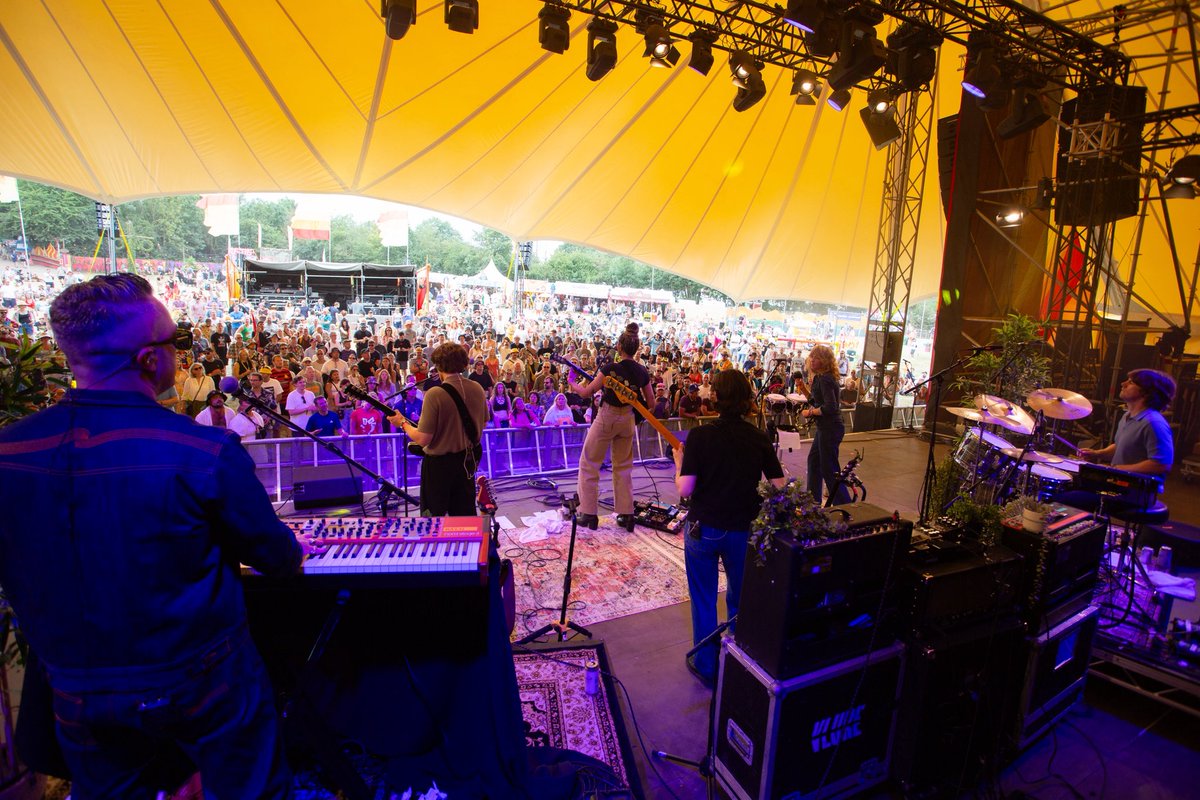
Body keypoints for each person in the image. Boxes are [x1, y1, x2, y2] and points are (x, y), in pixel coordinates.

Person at [0, 274, 303, 797]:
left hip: (75, 688)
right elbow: (277, 557)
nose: (180, 355)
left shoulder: (9, 451)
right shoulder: (202, 451)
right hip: (204, 684)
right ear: (148, 359)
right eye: (174, 342)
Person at [674, 369, 786, 687]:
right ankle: (738, 658)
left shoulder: (700, 436)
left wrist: (679, 463)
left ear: (716, 398)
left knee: (703, 598)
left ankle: (706, 664)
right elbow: (779, 486)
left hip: (704, 528)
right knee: (740, 596)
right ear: (747, 399)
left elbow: (685, 489)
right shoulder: (758, 437)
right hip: (742, 528)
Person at [569, 323, 653, 531]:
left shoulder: (610, 369)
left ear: (619, 347)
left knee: (589, 462)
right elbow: (651, 404)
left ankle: (588, 513)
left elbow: (586, 393)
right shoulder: (642, 371)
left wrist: (572, 383)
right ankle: (626, 514)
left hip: (607, 416)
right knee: (623, 467)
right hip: (628, 419)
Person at [388, 342, 487, 516]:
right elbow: (483, 423)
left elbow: (423, 438)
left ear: (439, 366)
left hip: (439, 466)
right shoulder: (477, 388)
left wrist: (402, 423)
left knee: (433, 518)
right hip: (466, 461)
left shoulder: (435, 393)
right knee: (464, 517)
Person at [1060, 369, 1176, 514]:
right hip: (1118, 485)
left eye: (1131, 382)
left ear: (1146, 392)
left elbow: (1161, 464)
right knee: (1066, 484)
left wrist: (1118, 469)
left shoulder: (1154, 423)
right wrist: (1097, 454)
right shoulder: (1127, 416)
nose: (1123, 383)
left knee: (1064, 497)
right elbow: (1121, 445)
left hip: (1135, 493)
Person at [800, 344, 852, 506]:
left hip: (830, 428)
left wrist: (810, 413)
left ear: (824, 361)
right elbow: (816, 401)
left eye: (816, 358)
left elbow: (830, 407)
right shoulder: (821, 378)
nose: (812, 360)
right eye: (812, 357)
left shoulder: (825, 379)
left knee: (829, 469)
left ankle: (844, 505)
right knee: (814, 462)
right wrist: (803, 389)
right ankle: (813, 501)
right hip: (826, 428)